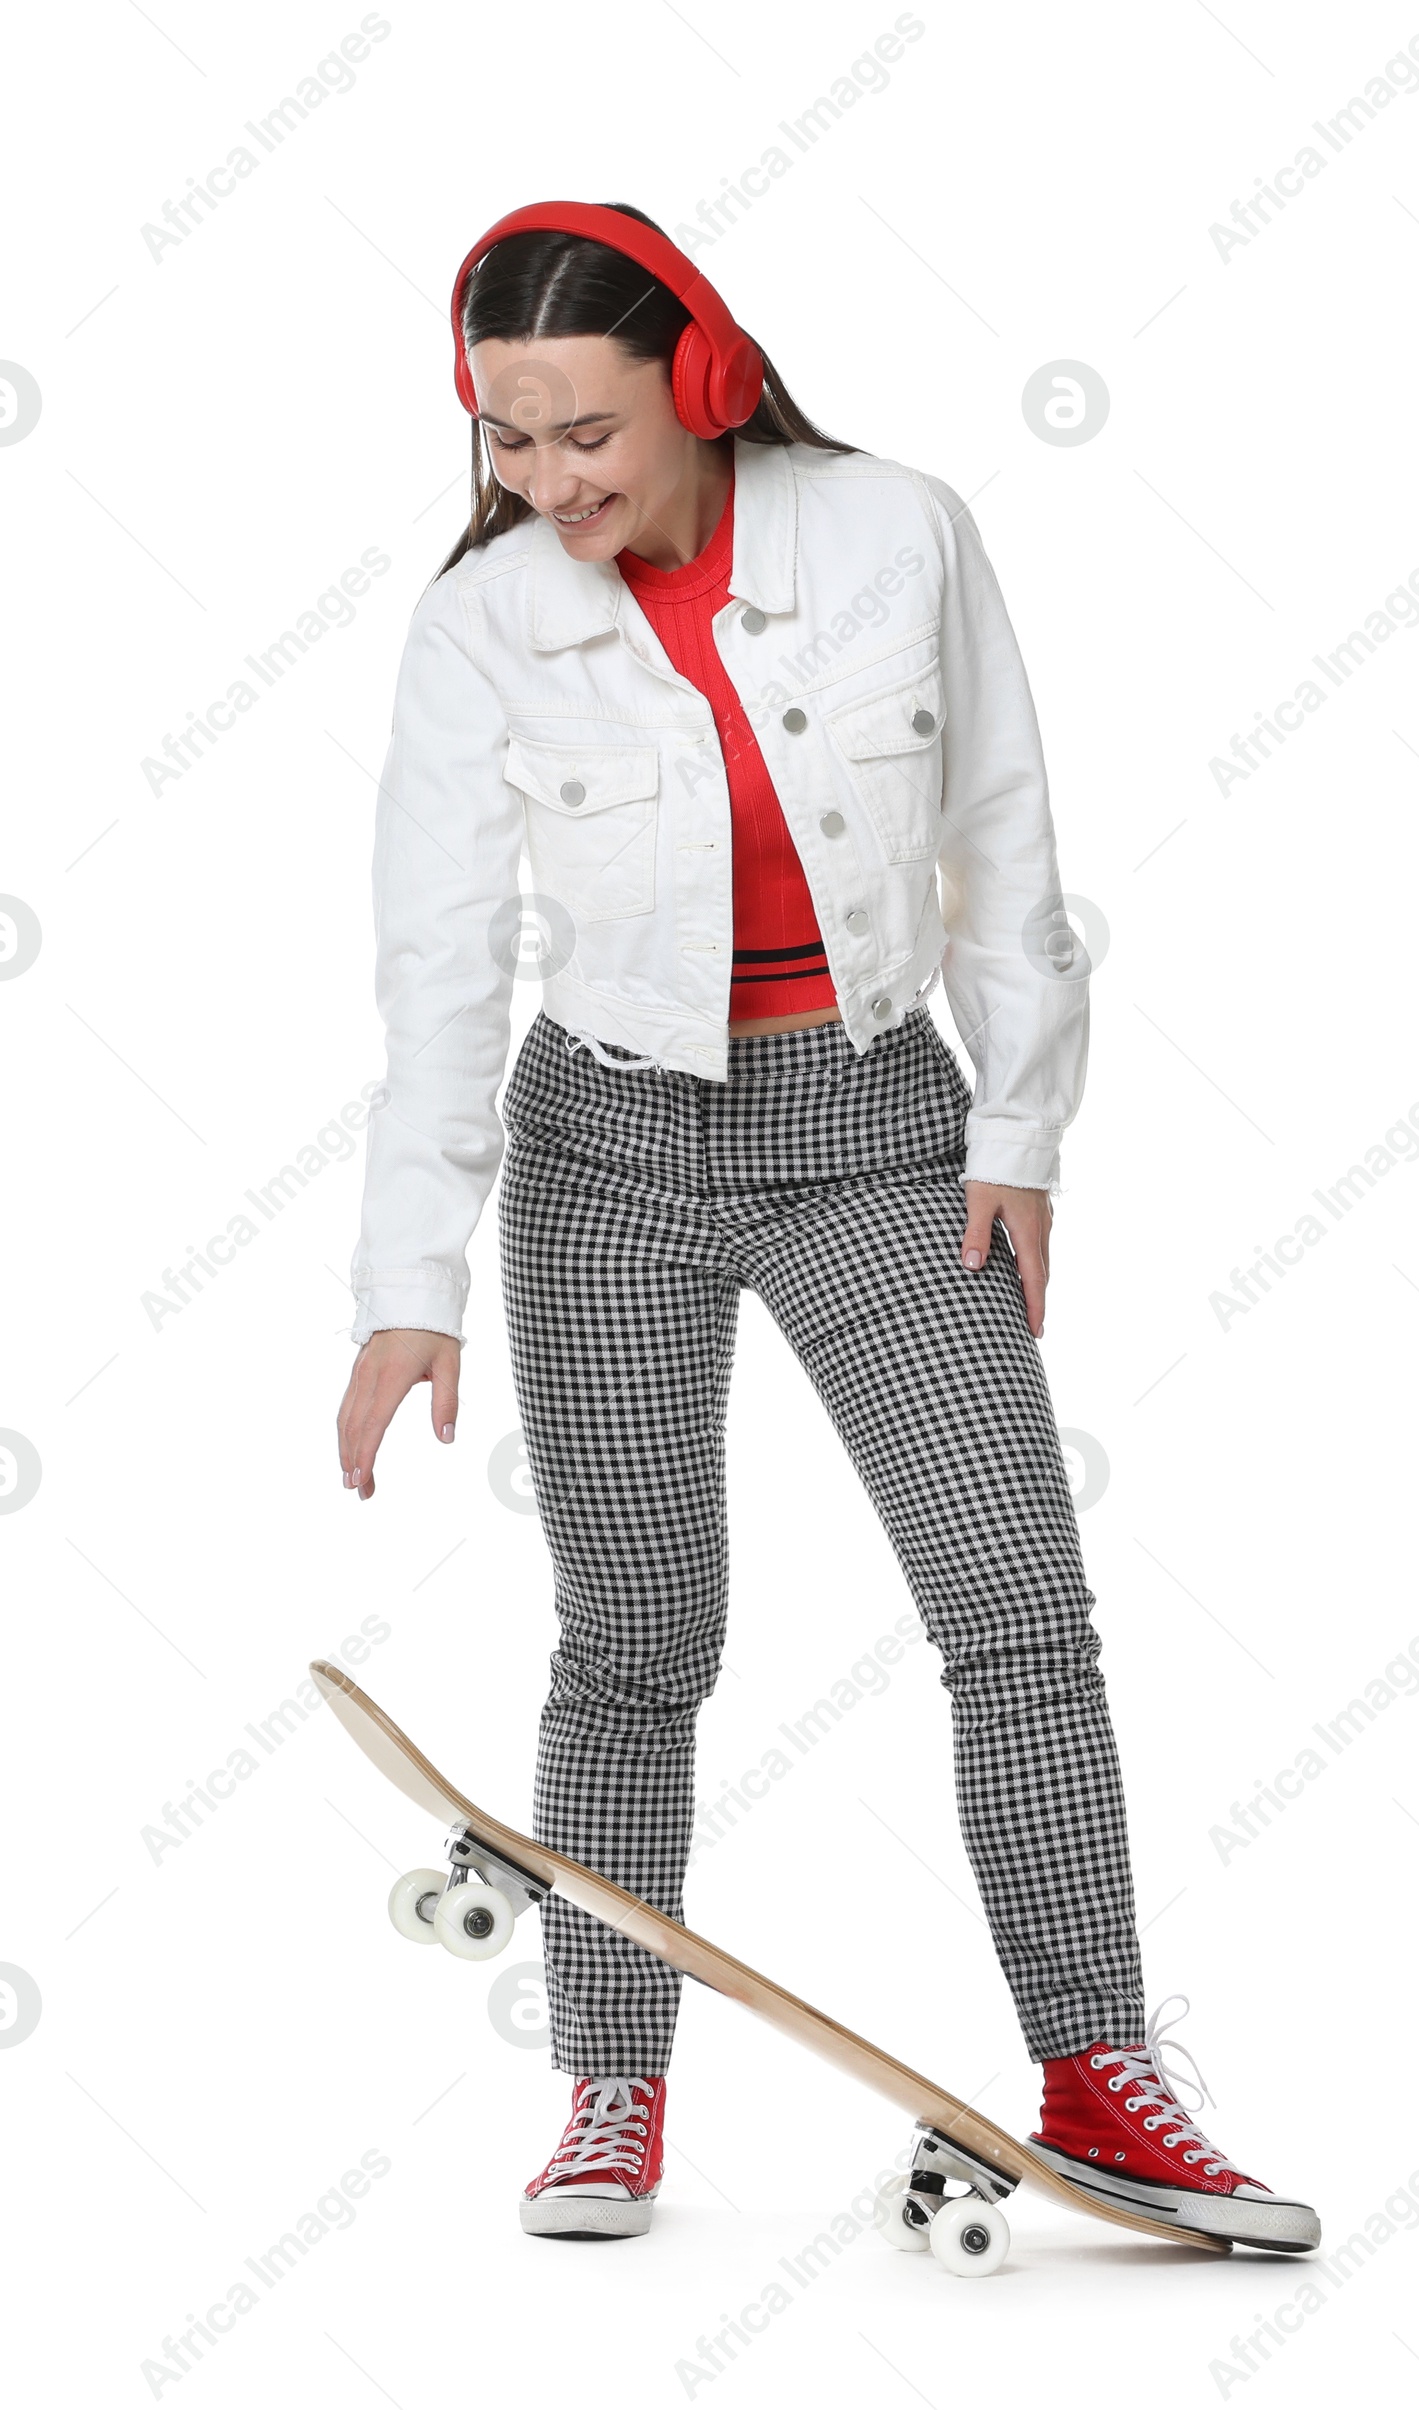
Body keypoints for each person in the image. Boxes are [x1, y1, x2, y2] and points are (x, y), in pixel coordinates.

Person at [336, 201, 1319, 2256]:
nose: (544, 485)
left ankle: (1094, 2062)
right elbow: (438, 957)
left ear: (700, 381)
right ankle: (610, 2084)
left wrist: (1023, 1130)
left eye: (583, 432)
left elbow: (1003, 833)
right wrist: (405, 1283)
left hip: (875, 1128)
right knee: (635, 1638)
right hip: (604, 1146)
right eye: (505, 443)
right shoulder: (482, 622)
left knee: (1014, 1609)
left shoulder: (894, 532)